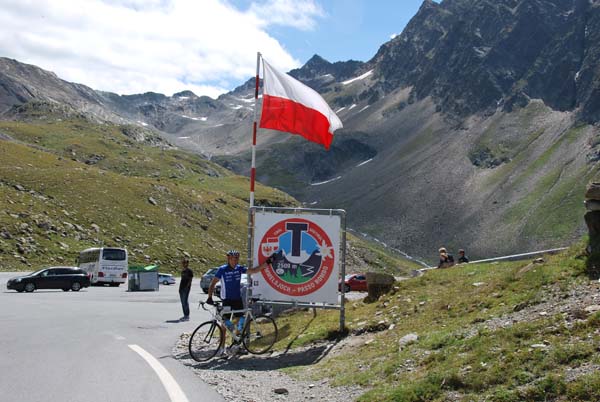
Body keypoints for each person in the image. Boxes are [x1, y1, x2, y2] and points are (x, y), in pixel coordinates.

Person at [206, 249, 274, 342]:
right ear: (229, 259)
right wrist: (209, 297)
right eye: (233, 259)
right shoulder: (222, 270)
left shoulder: (239, 268)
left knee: (240, 323)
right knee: (224, 325)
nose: (235, 261)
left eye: (237, 259)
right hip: (227, 300)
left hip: (237, 299)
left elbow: (254, 270)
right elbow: (212, 283)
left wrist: (267, 263)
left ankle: (237, 342)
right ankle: (222, 349)